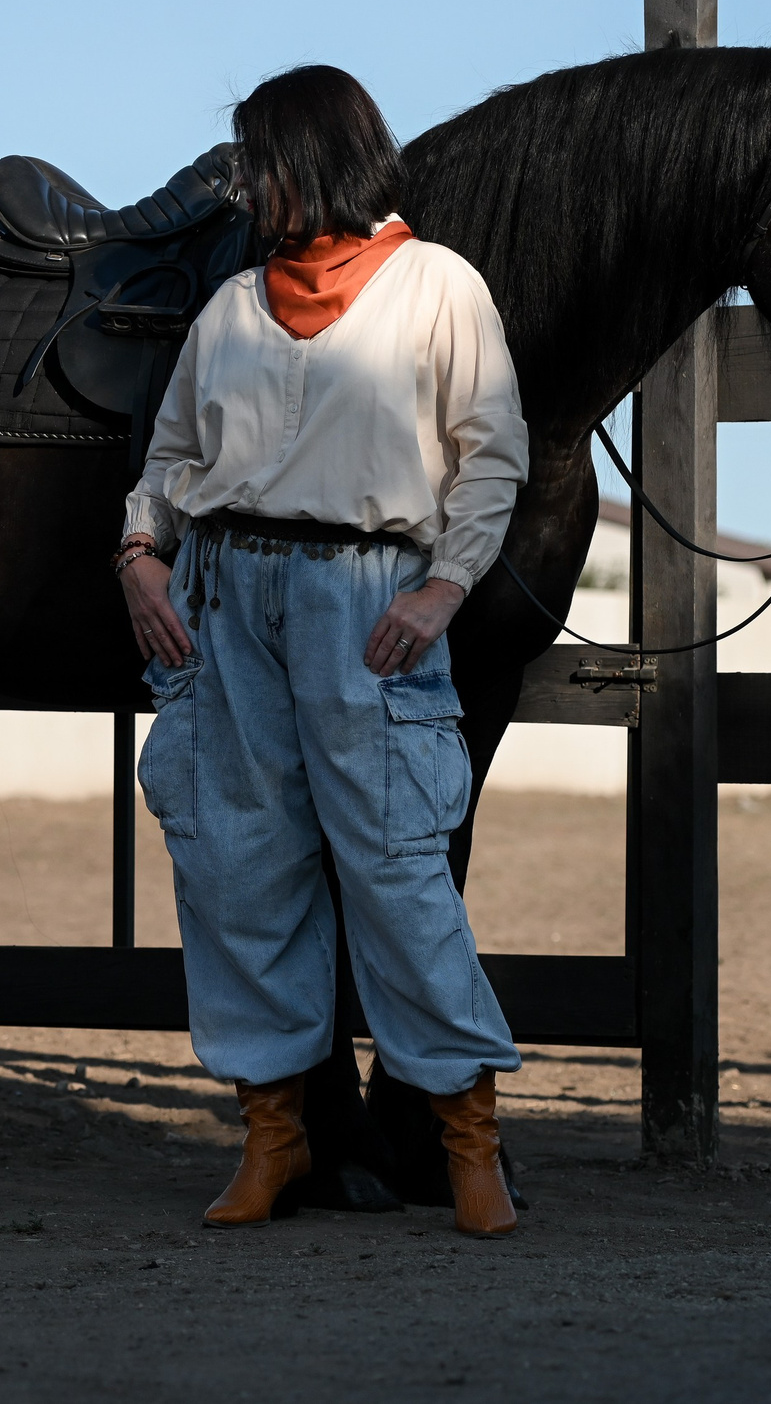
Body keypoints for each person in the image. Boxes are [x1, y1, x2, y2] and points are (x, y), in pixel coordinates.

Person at [113, 64, 529, 1238]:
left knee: (398, 865)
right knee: (236, 865)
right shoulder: (232, 308)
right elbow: (167, 460)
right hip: (225, 597)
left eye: (264, 159)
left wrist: (443, 587)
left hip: (368, 600)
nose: (250, 184)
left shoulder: (438, 287)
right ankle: (273, 1138)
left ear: (322, 156)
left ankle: (467, 1141)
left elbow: (490, 452)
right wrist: (140, 556)